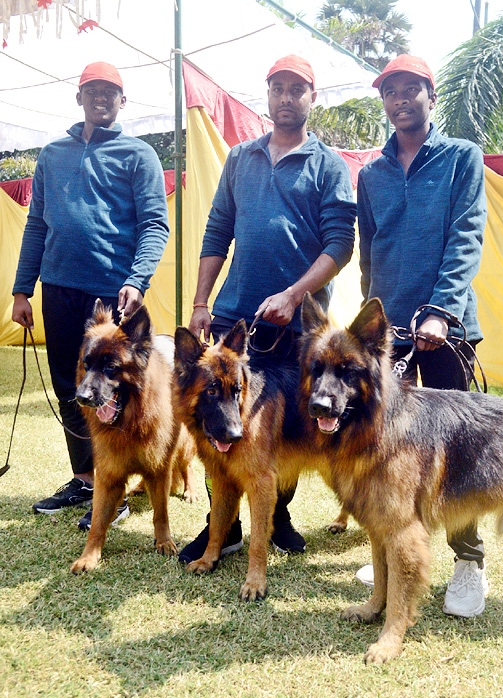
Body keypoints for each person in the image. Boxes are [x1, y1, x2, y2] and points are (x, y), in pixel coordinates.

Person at [179, 54, 357, 563]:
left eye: (296, 89)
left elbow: (340, 244)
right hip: (235, 320)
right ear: (268, 94)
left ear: (311, 98)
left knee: (284, 428)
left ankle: (277, 516)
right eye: (277, 87)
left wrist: (294, 294)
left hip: (298, 330)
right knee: (220, 416)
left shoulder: (328, 165)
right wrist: (199, 302)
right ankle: (225, 526)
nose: (285, 96)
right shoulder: (240, 158)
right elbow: (217, 232)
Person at [355, 55, 488, 618]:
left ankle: (469, 560)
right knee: (385, 451)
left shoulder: (461, 158)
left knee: (455, 454)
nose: (401, 99)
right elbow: (369, 253)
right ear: (384, 102)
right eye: (392, 92)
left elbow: (466, 237)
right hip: (390, 342)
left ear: (431, 96)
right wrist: (371, 328)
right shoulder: (371, 174)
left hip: (446, 333)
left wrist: (440, 312)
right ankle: (392, 549)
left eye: (412, 89)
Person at [12, 61, 170, 530]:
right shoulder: (52, 154)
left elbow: (154, 225)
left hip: (111, 296)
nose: (101, 97)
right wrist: (23, 289)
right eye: (92, 90)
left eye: (111, 91)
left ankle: (115, 488)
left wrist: (136, 280)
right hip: (57, 288)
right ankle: (85, 479)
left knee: (118, 388)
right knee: (71, 385)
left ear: (124, 101)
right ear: (78, 97)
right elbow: (36, 224)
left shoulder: (139, 155)